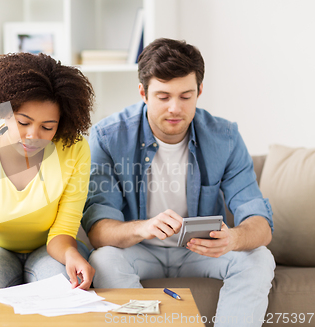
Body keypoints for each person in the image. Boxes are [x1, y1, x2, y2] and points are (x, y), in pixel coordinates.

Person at [82, 38, 275, 326]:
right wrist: (144, 228)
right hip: (140, 250)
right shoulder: (108, 137)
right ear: (143, 93)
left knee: (259, 258)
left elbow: (260, 223)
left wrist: (233, 238)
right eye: (163, 97)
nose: (175, 108)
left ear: (199, 91)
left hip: (200, 251)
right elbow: (98, 230)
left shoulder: (225, 137)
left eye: (186, 97)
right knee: (103, 259)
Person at [0, 52, 95, 307]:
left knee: (65, 297)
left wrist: (72, 254)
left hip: (49, 248)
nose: (32, 136)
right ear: (4, 111)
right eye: (23, 122)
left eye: (47, 127)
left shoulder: (75, 149)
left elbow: (62, 232)